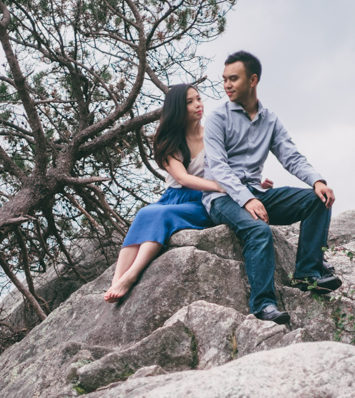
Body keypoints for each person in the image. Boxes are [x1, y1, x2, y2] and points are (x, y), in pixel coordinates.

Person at [202, 50, 339, 325]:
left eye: (233, 79)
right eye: (224, 79)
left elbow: (291, 156)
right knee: (258, 230)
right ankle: (264, 305)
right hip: (222, 197)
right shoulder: (218, 118)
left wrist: (317, 181)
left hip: (257, 192)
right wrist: (245, 200)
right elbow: (218, 168)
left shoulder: (270, 119)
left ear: (252, 80)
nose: (227, 85)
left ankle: (308, 273)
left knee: (317, 200)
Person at [104, 84, 224, 302]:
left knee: (161, 215)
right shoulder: (169, 140)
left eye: (198, 98)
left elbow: (235, 163)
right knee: (144, 214)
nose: (198, 105)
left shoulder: (213, 135)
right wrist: (219, 185)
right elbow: (182, 178)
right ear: (178, 109)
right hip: (175, 196)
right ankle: (116, 281)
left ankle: (131, 275)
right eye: (189, 102)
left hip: (203, 198)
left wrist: (252, 182)